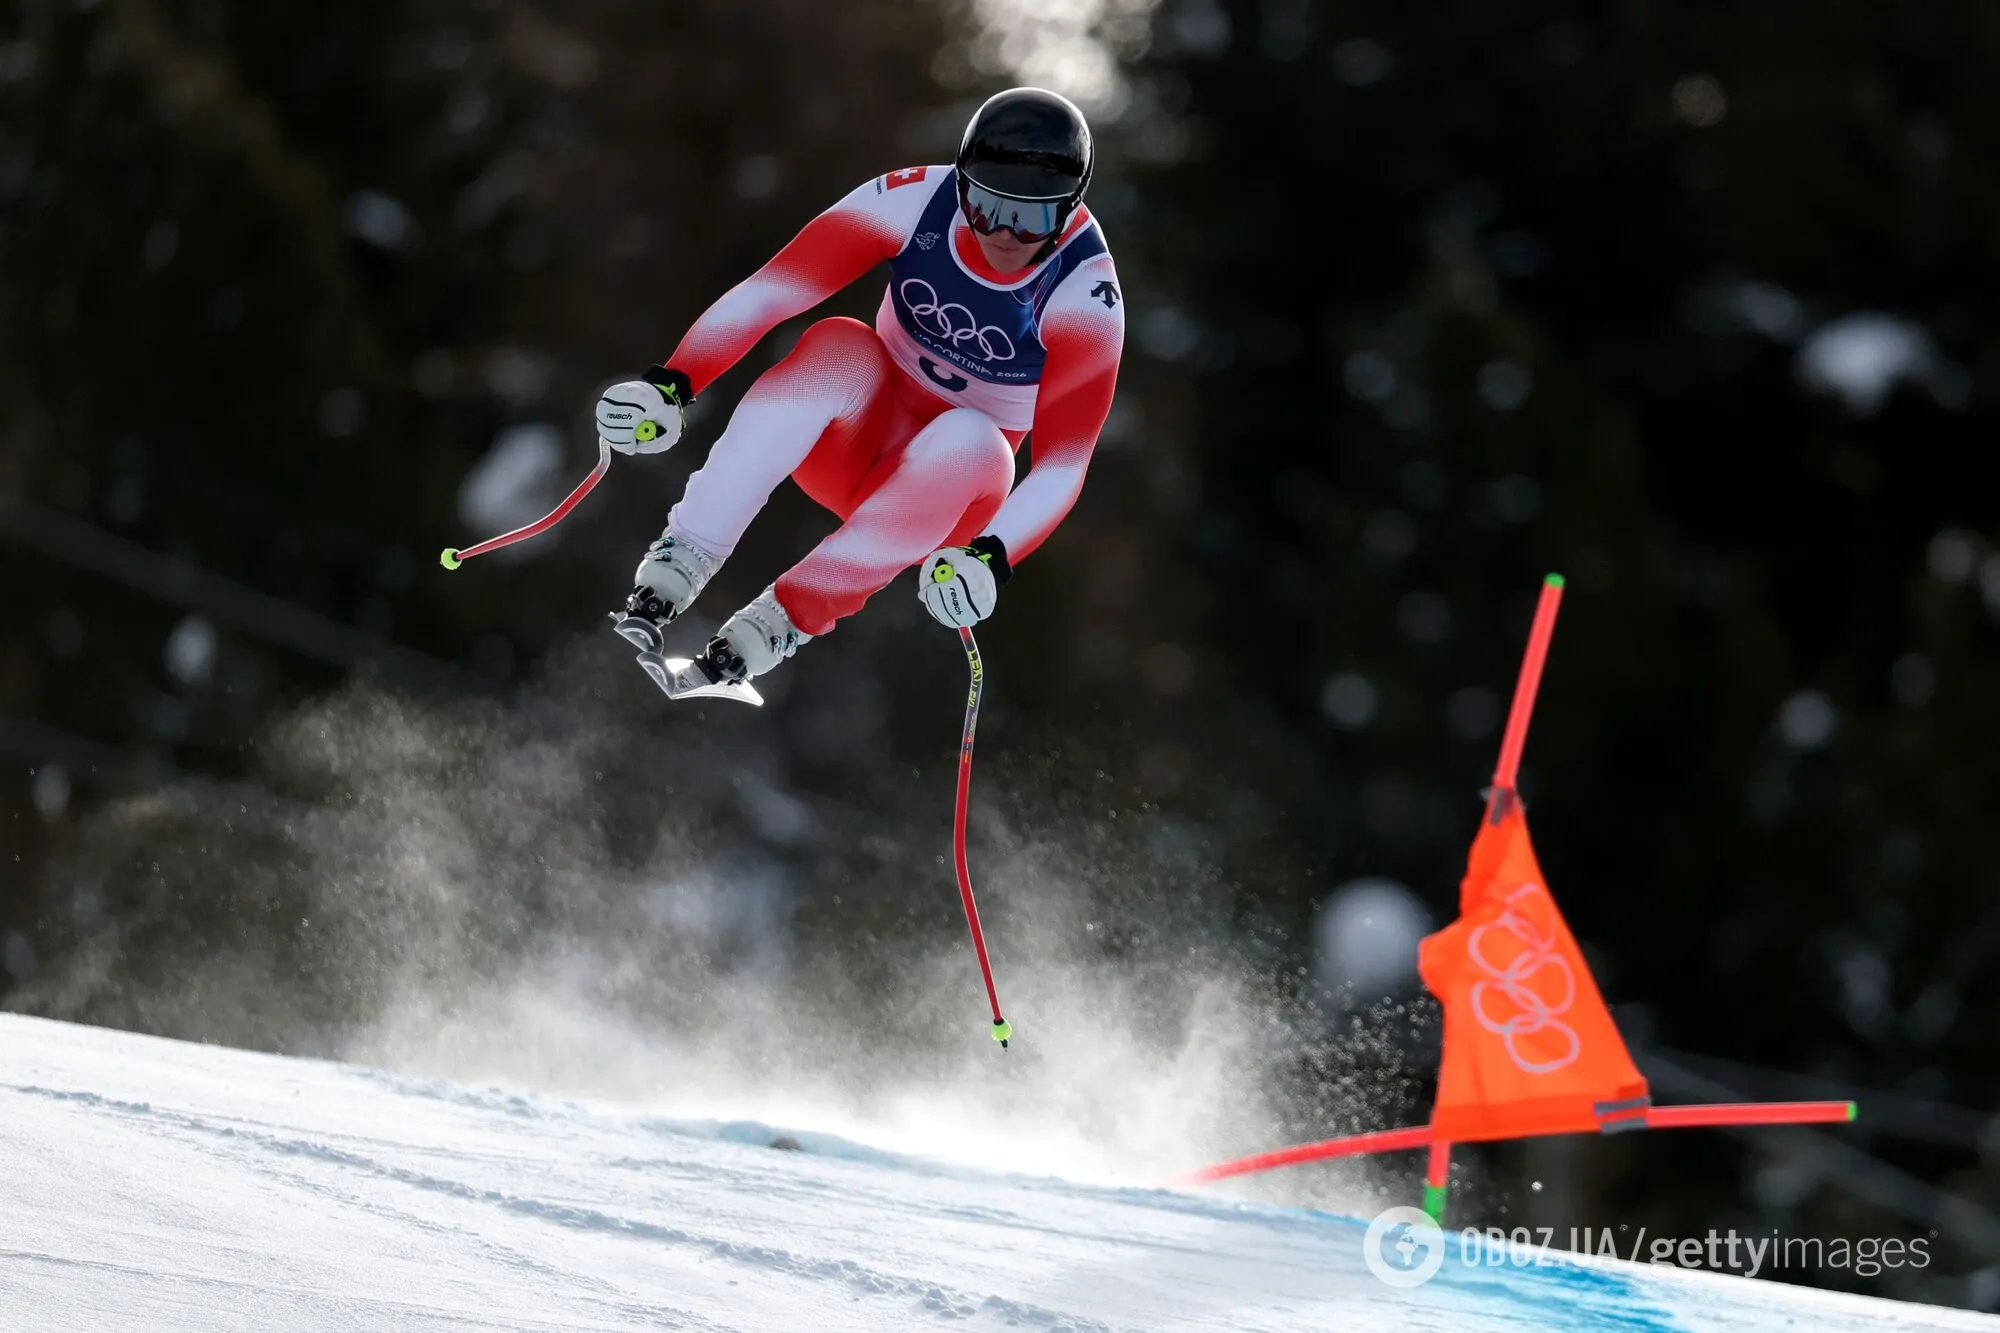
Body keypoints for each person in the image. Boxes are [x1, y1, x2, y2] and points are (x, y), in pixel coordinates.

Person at [594, 86, 1125, 693]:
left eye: (1033, 217)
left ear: (1071, 208)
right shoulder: (912, 201)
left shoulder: (1085, 294)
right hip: (852, 442)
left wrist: (992, 556)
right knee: (839, 343)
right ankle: (681, 558)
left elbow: (1063, 464)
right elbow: (776, 288)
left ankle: (777, 624)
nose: (1004, 234)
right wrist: (673, 382)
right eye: (985, 207)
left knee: (975, 438)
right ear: (960, 185)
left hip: (944, 500)